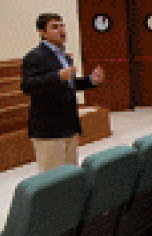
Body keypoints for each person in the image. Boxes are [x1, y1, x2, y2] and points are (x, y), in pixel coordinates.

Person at [21, 13, 105, 172]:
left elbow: (68, 84)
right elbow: (28, 86)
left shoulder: (64, 56)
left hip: (68, 125)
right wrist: (57, 76)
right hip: (49, 129)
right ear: (42, 32)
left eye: (62, 26)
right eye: (54, 27)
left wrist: (91, 80)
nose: (61, 29)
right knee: (52, 181)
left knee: (70, 177)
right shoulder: (34, 56)